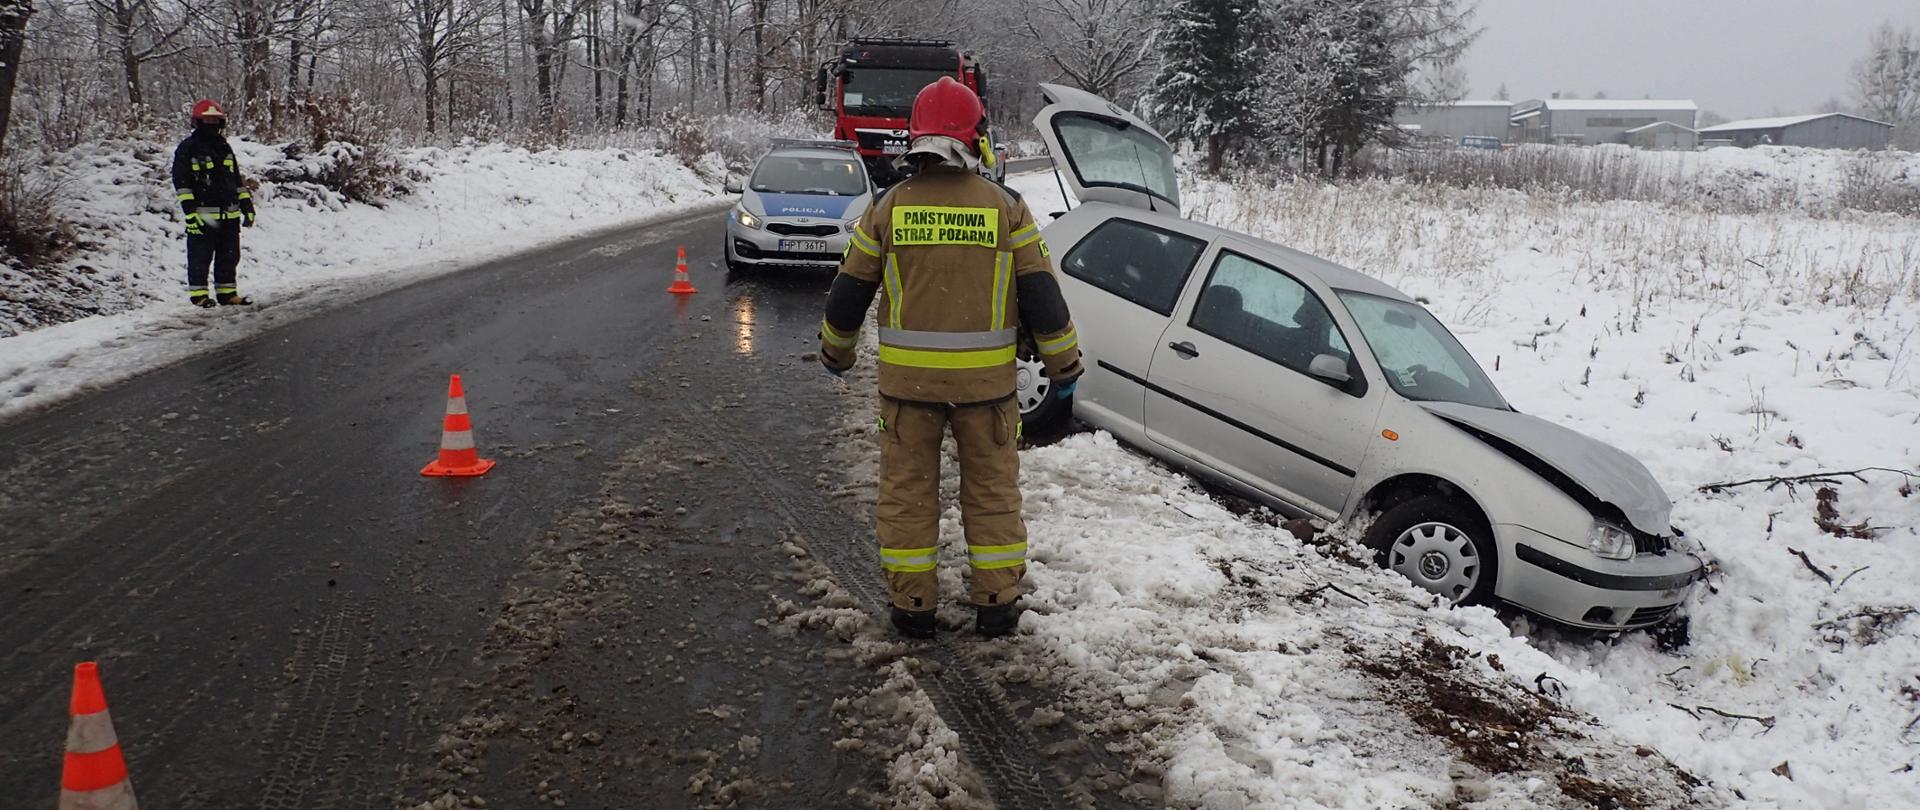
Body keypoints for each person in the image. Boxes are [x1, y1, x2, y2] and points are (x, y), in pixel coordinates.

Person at [818, 77, 1083, 639]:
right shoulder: (1006, 207)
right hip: (987, 392)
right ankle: (995, 603)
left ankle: (914, 606)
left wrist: (835, 353)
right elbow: (1042, 296)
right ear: (975, 138)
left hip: (906, 391)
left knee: (907, 493)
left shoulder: (888, 207)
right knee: (992, 493)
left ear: (915, 138)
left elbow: (849, 291)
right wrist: (1064, 369)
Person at [171, 99, 256, 307]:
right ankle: (199, 296)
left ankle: (227, 294)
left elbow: (235, 178)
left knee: (229, 257)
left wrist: (247, 205)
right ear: (198, 122)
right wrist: (189, 212)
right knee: (200, 257)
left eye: (215, 120)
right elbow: (181, 182)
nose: (212, 124)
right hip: (204, 214)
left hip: (230, 215)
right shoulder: (188, 148)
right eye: (207, 120)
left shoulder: (224, 147)